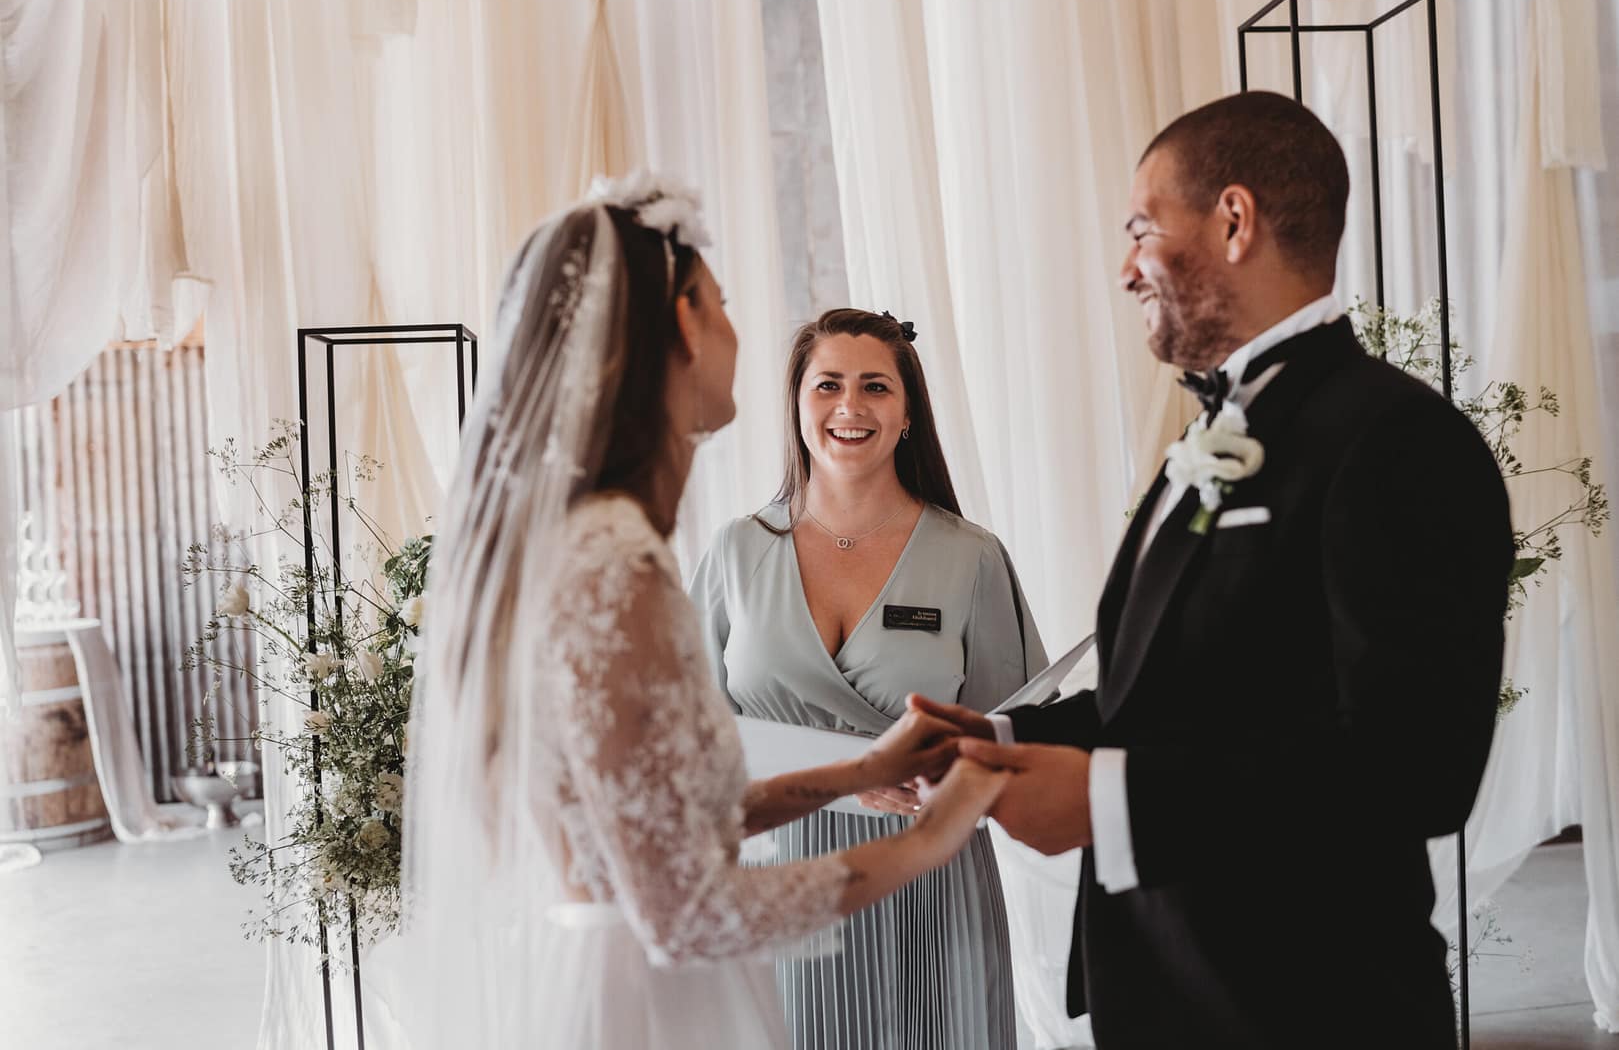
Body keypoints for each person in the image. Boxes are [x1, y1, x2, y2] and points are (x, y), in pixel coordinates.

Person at [913, 91, 1514, 1048]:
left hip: (1309, 1007)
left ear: (1233, 221)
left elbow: (1416, 771)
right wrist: (996, 735)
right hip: (1165, 995)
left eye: (1141, 228)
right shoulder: (1208, 436)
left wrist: (1108, 798)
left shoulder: (1396, 440)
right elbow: (1179, 695)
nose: (1123, 269)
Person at [400, 174, 1008, 1049]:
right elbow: (686, 912)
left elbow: (660, 820)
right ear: (684, 323)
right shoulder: (618, 561)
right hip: (648, 1004)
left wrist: (855, 770)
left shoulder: (592, 539)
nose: (732, 330)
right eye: (719, 304)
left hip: (629, 970)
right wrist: (933, 835)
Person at [690, 308, 1044, 1049]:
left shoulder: (971, 558)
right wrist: (846, 777)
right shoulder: (733, 551)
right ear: (796, 404)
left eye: (875, 387)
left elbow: (1013, 737)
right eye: (827, 386)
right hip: (777, 878)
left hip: (932, 876)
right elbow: (689, 741)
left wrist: (947, 778)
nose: (849, 407)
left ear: (907, 413)